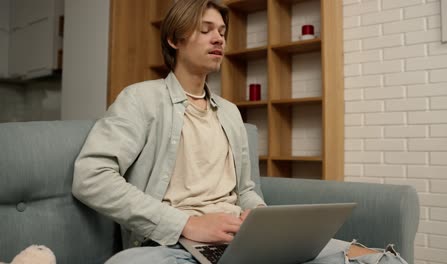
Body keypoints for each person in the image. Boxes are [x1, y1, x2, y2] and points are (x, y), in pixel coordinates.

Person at [72, 0, 409, 263]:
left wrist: (265, 223)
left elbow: (245, 190)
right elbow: (92, 177)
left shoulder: (230, 113)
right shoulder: (141, 100)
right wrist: (185, 224)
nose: (218, 37)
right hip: (176, 245)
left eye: (221, 30)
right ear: (174, 39)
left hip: (245, 241)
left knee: (382, 260)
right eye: (205, 29)